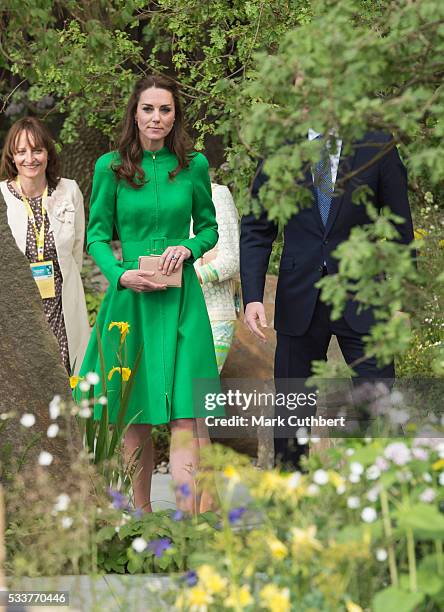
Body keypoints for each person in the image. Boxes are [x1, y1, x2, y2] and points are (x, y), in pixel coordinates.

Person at [78, 75, 221, 513]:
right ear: (134, 114)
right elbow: (97, 236)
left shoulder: (193, 164)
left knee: (185, 414)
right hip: (131, 300)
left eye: (164, 110)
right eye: (148, 109)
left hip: (182, 302)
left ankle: (188, 523)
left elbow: (211, 228)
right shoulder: (110, 166)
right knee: (132, 414)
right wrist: (120, 275)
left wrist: (190, 246)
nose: (156, 117)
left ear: (175, 115)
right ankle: (140, 520)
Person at [240, 129, 414, 468]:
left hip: (364, 296)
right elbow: (257, 228)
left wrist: (402, 300)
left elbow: (400, 228)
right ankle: (290, 498)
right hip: (299, 295)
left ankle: (391, 500)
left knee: (379, 404)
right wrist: (253, 296)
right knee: (292, 407)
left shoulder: (376, 144)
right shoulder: (279, 146)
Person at [0, 117, 90, 374]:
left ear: (48, 154)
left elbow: (76, 251)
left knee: (66, 376)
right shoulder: (3, 196)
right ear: (12, 157)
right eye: (21, 151)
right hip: (18, 310)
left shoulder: (68, 190)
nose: (30, 158)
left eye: (37, 150)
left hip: (61, 305)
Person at [194, 181, 239, 512]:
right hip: (178, 314)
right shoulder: (161, 194)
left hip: (214, 316)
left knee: (197, 407)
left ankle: (207, 501)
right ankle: (205, 499)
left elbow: (230, 261)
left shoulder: (215, 193)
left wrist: (190, 272)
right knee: (188, 410)